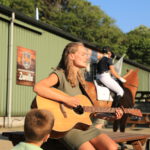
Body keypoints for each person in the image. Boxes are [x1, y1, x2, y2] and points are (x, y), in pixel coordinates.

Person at [34, 42, 123, 150]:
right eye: (83, 54)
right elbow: (38, 87)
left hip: (84, 126)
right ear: (71, 56)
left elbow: (89, 112)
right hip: (66, 128)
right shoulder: (60, 74)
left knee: (112, 148)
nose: (87, 57)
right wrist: (66, 99)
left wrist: (111, 116)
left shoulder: (81, 81)